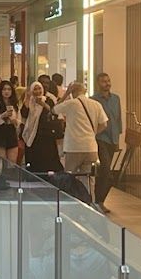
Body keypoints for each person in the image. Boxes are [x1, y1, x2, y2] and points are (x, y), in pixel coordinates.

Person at [53, 82, 108, 180]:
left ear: (72, 92)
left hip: (73, 147)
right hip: (91, 147)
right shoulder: (96, 104)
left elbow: (54, 110)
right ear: (85, 91)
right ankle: (88, 195)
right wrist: (93, 133)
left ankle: (72, 195)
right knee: (89, 178)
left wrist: (65, 94)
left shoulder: (71, 104)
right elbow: (104, 124)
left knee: (70, 177)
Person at [91, 73, 122, 211]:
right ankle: (98, 201)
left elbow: (118, 119)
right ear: (98, 83)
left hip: (113, 138)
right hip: (100, 138)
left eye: (108, 81)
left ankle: (99, 199)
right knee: (106, 170)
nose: (107, 83)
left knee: (106, 172)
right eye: (104, 81)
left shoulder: (116, 99)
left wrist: (118, 138)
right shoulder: (94, 100)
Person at [20, 82, 62, 175]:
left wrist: (42, 104)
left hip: (46, 134)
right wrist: (27, 98)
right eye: (35, 89)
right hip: (33, 134)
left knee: (47, 156)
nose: (37, 91)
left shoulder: (48, 100)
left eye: (39, 89)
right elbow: (24, 113)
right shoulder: (29, 101)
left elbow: (53, 112)